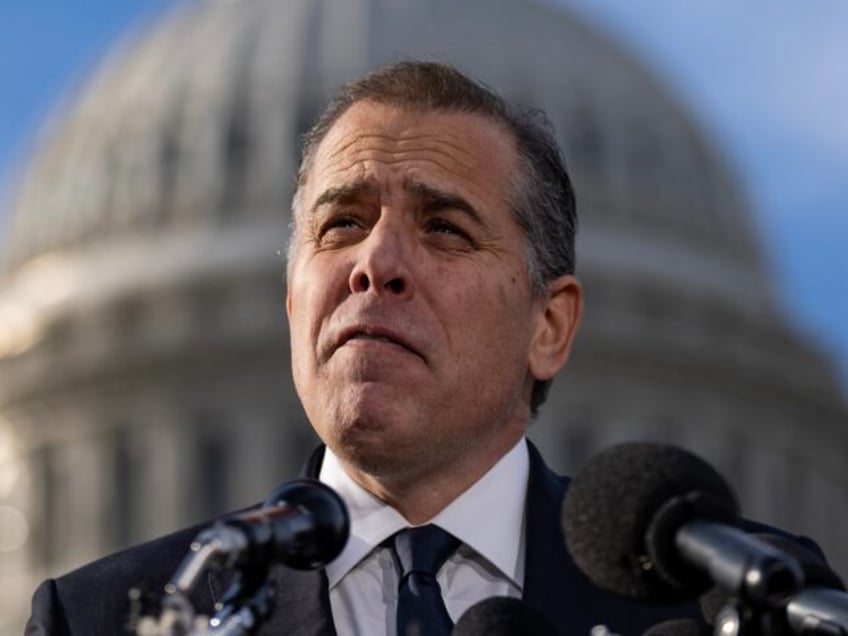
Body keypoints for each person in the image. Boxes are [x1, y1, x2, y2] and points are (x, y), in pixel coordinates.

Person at [24, 61, 756, 635]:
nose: (376, 263)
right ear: (292, 305)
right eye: (342, 222)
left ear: (550, 326)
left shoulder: (733, 606)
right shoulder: (97, 623)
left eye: (444, 228)